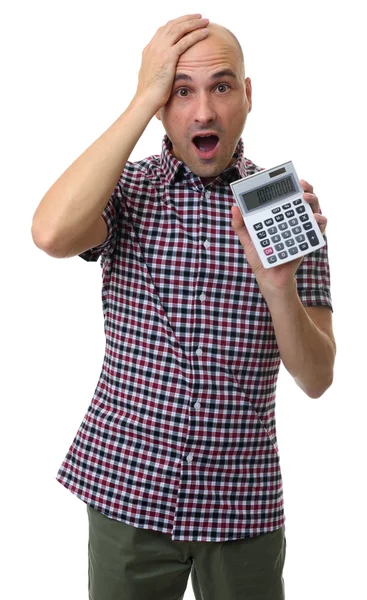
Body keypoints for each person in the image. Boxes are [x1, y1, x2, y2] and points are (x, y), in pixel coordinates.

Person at [31, 14, 336, 600]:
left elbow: (318, 378)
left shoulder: (284, 205)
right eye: (180, 91)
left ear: (247, 95)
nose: (202, 113)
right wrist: (144, 94)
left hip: (241, 505)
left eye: (221, 87)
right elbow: (49, 233)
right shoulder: (125, 191)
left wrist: (278, 285)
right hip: (128, 494)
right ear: (160, 105)